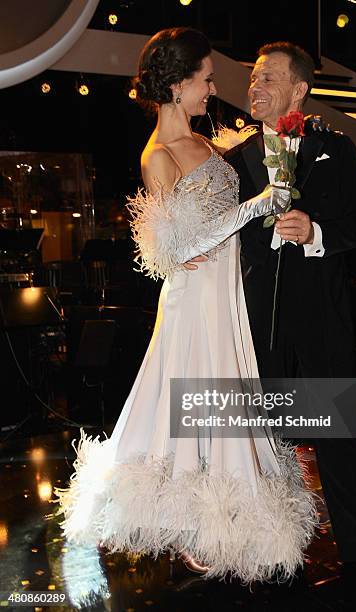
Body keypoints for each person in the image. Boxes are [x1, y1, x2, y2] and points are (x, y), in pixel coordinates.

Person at [55, 28, 317, 585]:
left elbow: (210, 229)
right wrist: (255, 207)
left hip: (223, 292)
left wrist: (272, 204)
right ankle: (198, 522)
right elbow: (177, 248)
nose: (212, 89)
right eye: (206, 79)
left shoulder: (205, 142)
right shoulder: (157, 156)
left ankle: (216, 520)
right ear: (177, 86)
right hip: (194, 299)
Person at [220, 41, 356, 592]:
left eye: (267, 78)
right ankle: (261, 548)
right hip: (253, 321)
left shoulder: (337, 148)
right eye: (253, 78)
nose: (254, 86)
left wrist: (316, 234)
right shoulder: (232, 159)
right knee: (257, 440)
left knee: (337, 441)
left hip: (321, 319)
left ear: (299, 89)